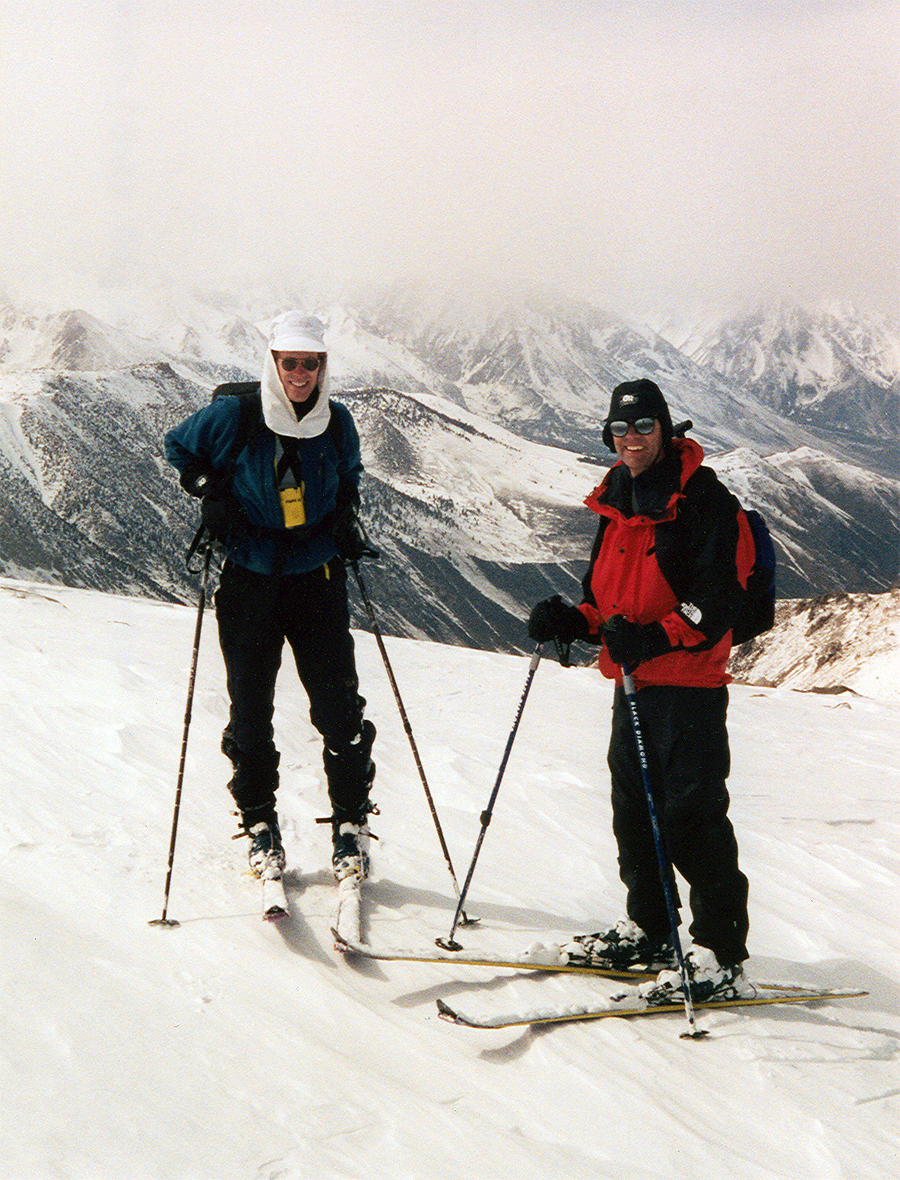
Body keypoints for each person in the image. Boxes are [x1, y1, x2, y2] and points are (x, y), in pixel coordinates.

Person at [528, 378, 755, 1001]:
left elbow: (720, 598)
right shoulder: (618, 501)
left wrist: (653, 640)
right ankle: (652, 929)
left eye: (644, 428)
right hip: (633, 685)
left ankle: (719, 952)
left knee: (692, 817)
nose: (631, 440)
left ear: (667, 429)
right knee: (634, 812)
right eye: (620, 431)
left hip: (689, 686)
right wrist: (575, 620)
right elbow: (610, 601)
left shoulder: (704, 502)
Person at [164, 311, 377, 883]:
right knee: (251, 710)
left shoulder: (337, 421)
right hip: (251, 575)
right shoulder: (236, 413)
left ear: (322, 366)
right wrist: (209, 491)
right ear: (273, 363)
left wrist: (344, 517)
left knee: (337, 707)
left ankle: (350, 822)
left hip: (316, 575)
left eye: (312, 363)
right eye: (291, 363)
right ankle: (260, 822)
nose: (301, 374)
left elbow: (350, 473)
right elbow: (178, 447)